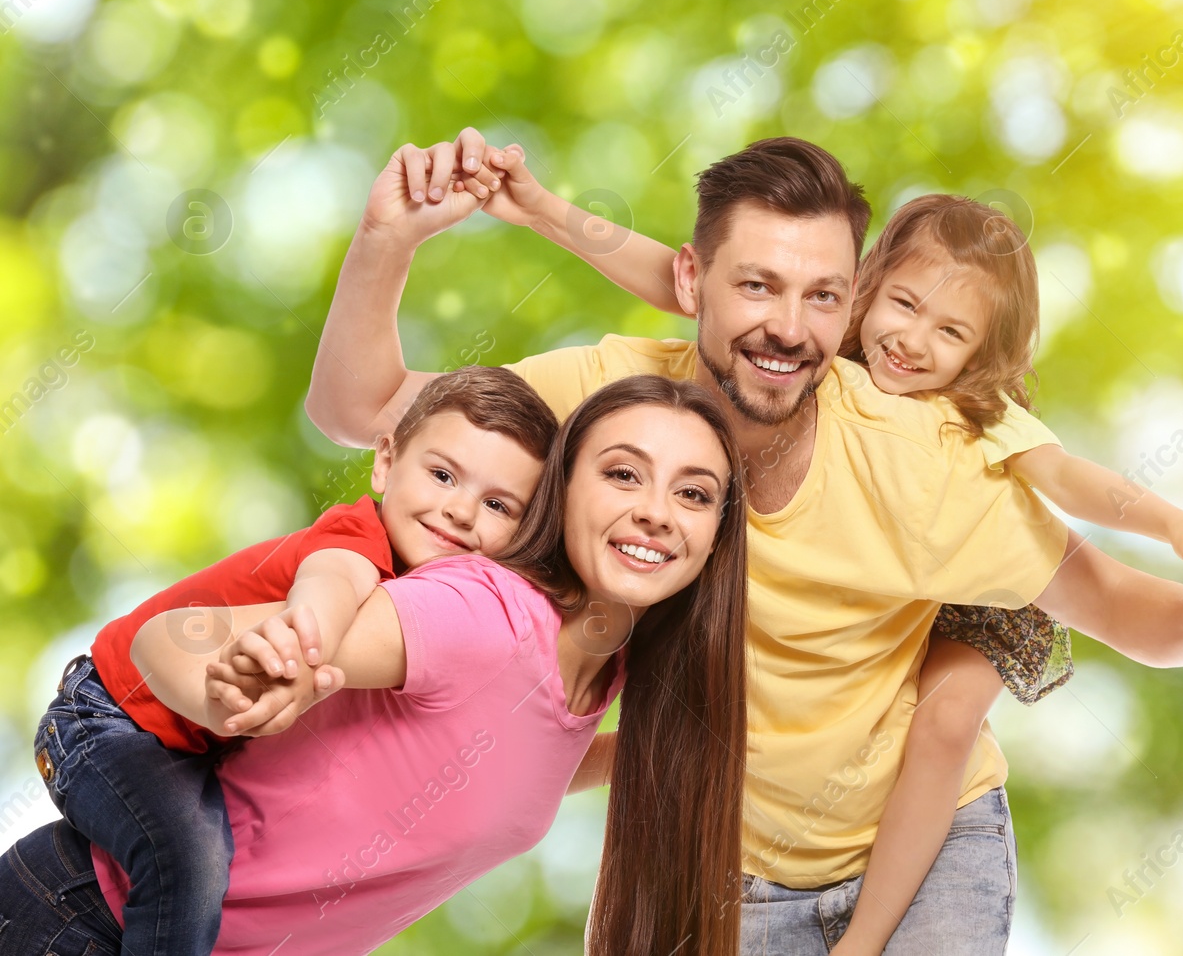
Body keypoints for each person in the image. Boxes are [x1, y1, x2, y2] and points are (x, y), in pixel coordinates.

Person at [304, 128, 1183, 954]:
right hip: (728, 869)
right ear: (693, 280)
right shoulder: (612, 406)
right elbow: (362, 411)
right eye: (757, 288)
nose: (788, 328)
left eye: (821, 295)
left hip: (926, 850)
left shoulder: (923, 460)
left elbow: (1131, 611)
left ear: (847, 302)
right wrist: (385, 239)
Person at [0, 374, 750, 956]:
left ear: (717, 534)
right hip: (82, 920)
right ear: (563, 494)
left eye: (693, 492)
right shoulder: (478, 610)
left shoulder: (605, 671)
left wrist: (696, 751)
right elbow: (175, 638)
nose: (657, 510)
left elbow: (513, 747)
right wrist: (256, 678)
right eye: (624, 474)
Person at [27, 365, 555, 956]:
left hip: (179, 748)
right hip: (105, 717)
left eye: (499, 506)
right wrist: (307, 644)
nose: (461, 511)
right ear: (385, 462)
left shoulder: (439, 611)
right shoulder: (357, 541)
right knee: (186, 857)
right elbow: (329, 586)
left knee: (203, 849)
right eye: (442, 475)